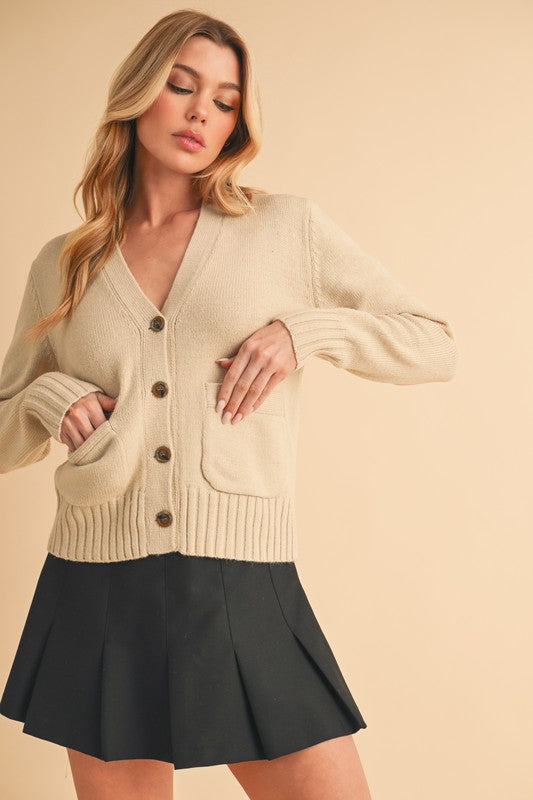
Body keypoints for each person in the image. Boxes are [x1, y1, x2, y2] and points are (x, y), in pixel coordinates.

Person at [0, 9, 457, 800]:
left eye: (224, 100)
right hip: (95, 588)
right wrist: (48, 396)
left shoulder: (283, 228)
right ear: (138, 93)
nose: (201, 113)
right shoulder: (65, 265)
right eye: (181, 86)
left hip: (238, 578)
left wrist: (302, 333)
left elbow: (433, 343)